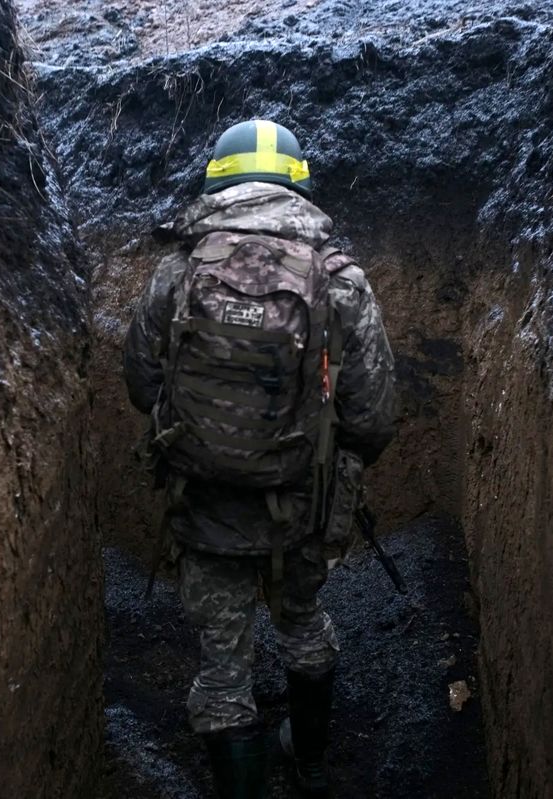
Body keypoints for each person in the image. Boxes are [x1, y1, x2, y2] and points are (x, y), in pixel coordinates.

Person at [122, 119, 396, 798]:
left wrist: (193, 436)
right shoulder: (339, 280)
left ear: (219, 182)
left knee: (223, 666)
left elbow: (140, 380)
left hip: (203, 502)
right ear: (298, 185)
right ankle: (309, 760)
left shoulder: (178, 270)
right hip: (304, 504)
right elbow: (373, 412)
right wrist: (334, 463)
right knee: (304, 621)